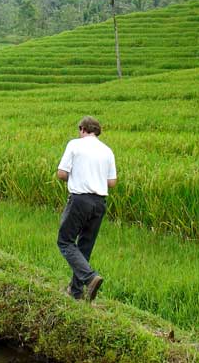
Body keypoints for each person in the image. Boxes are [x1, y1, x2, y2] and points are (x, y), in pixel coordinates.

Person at [56, 116, 117, 302]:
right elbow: (112, 182)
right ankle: (76, 292)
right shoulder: (107, 151)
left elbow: (61, 173)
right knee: (85, 246)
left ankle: (90, 277)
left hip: (80, 200)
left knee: (65, 241)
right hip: (99, 203)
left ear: (82, 129)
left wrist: (78, 177)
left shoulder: (75, 145)